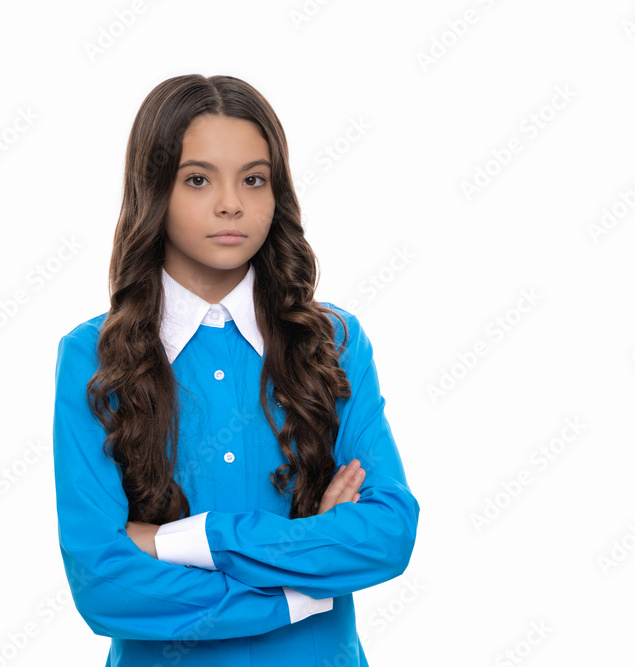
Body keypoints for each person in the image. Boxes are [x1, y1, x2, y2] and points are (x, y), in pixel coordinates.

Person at [52, 73, 420, 666]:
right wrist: (300, 586)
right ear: (155, 191)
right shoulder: (93, 357)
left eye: (254, 179)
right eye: (198, 180)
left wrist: (184, 540)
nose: (231, 203)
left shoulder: (333, 341)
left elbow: (386, 535)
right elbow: (105, 585)